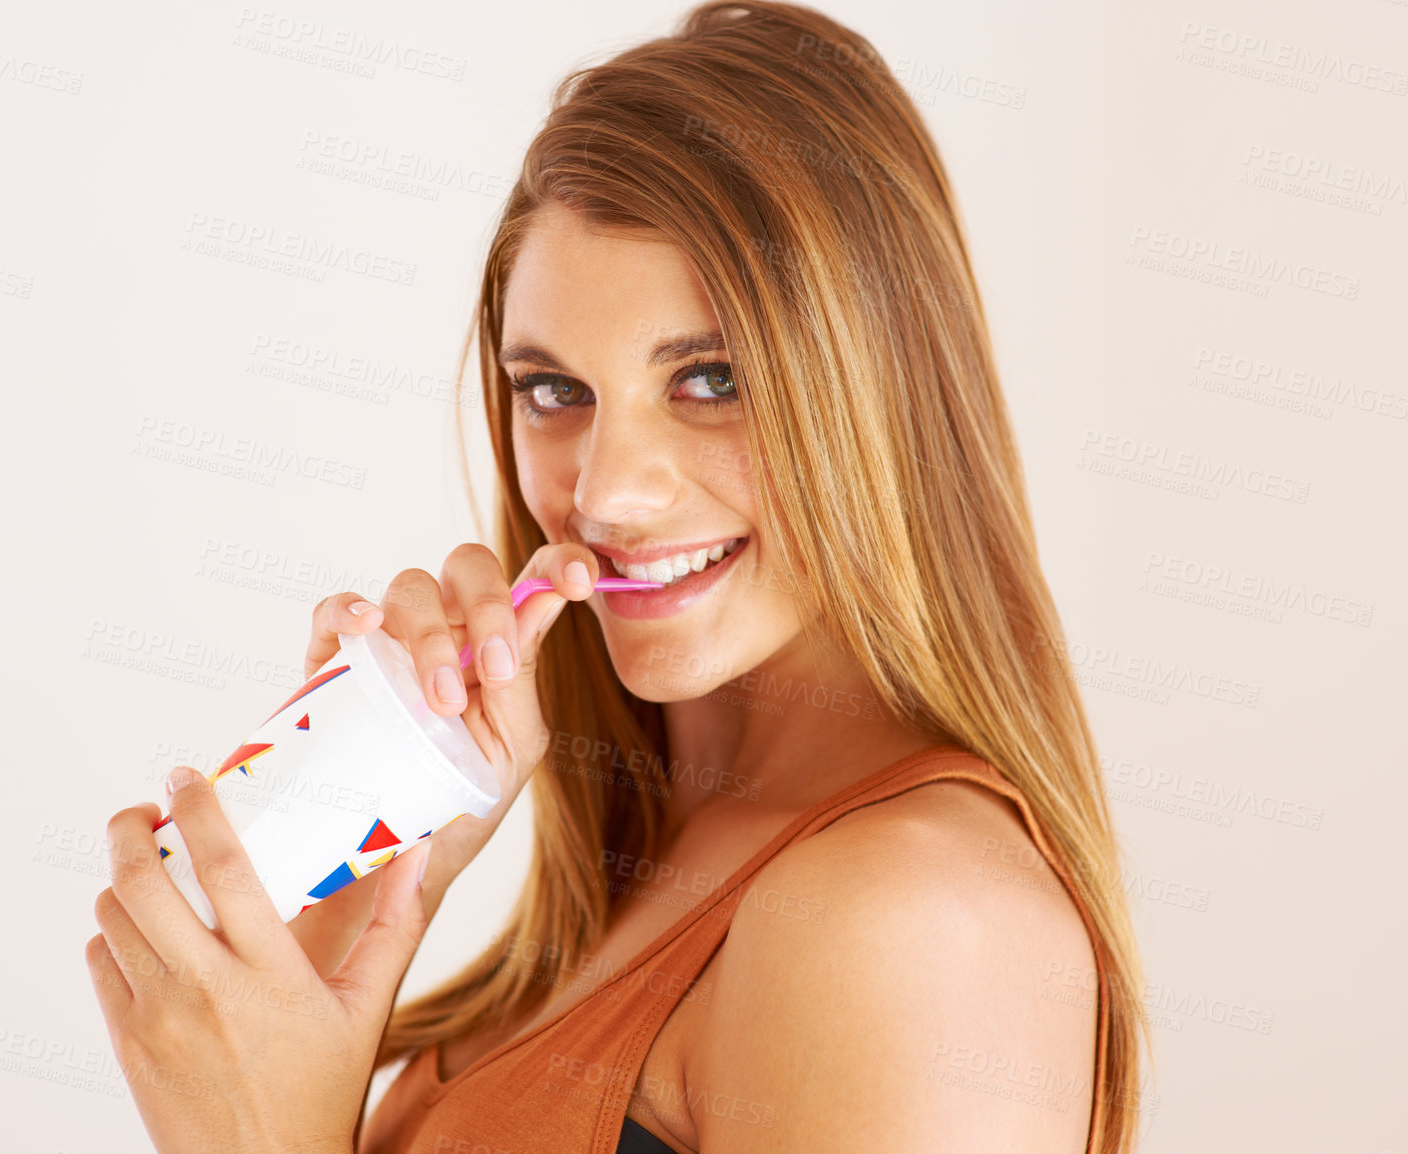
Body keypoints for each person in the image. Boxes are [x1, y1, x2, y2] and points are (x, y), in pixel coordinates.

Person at [87, 3, 1150, 1151]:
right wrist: (343, 920)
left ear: (884, 391)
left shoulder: (916, 921)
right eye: (554, 389)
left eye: (711, 377)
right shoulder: (653, 864)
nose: (606, 493)